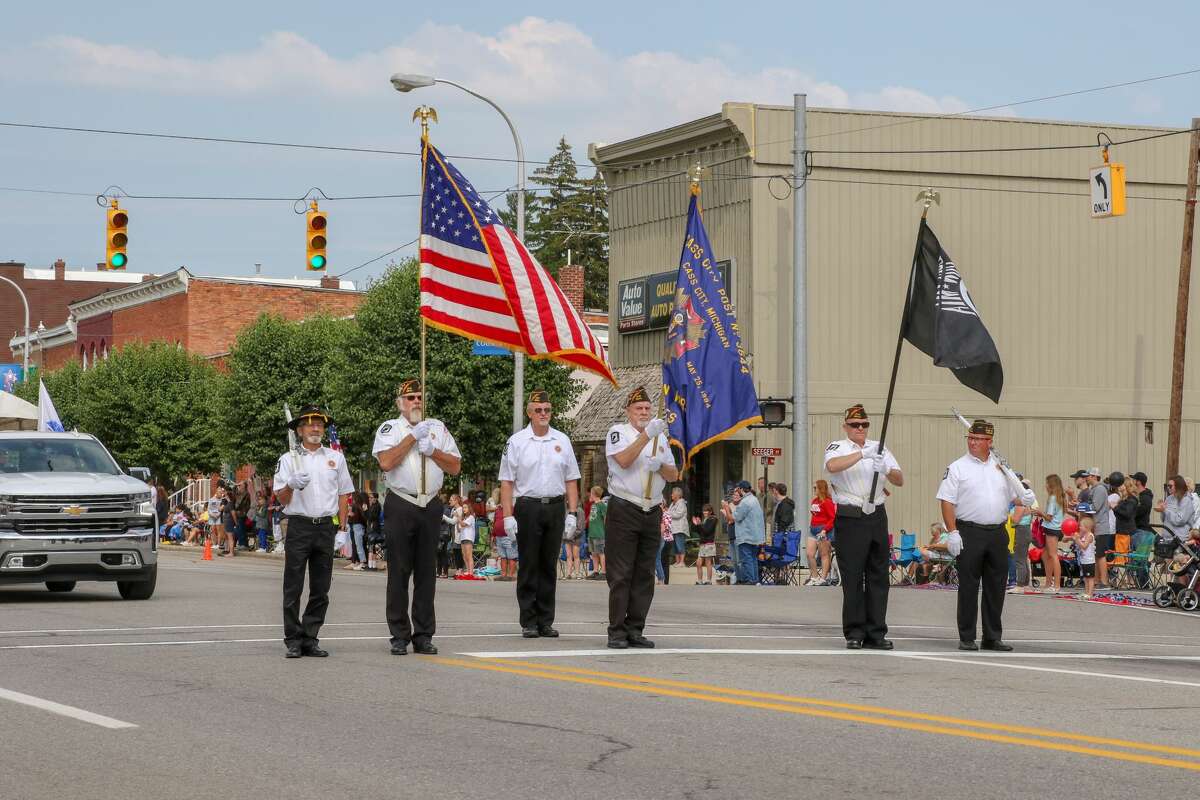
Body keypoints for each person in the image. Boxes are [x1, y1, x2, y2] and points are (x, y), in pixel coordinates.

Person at [372, 379, 462, 657]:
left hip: (431, 502)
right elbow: (386, 462)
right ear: (400, 403)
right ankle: (399, 634)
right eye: (410, 397)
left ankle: (423, 634)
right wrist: (412, 438)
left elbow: (456, 466)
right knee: (399, 571)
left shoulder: (437, 428)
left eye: (420, 397)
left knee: (426, 573)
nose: (416, 402)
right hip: (402, 501)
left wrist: (432, 450)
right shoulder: (390, 428)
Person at [937, 419, 1036, 652]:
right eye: (970, 438)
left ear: (989, 442)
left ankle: (992, 636)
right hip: (969, 530)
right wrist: (952, 532)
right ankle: (967, 635)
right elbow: (947, 501)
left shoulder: (1001, 467)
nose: (972, 443)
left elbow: (1014, 497)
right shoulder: (958, 467)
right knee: (969, 585)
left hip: (997, 532)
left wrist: (1026, 498)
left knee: (996, 585)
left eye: (978, 439)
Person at [272, 405, 354, 659]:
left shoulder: (335, 458)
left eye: (320, 424)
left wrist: (342, 528)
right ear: (299, 430)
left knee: (321, 588)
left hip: (325, 528)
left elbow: (344, 493)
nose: (316, 428)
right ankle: (293, 639)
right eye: (310, 424)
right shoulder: (288, 460)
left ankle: (310, 636)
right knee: (293, 586)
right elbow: (282, 498)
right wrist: (291, 484)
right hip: (299, 526)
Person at [498, 390, 581, 638]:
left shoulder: (562, 440)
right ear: (529, 412)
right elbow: (506, 481)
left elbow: (571, 480)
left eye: (547, 409)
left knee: (548, 564)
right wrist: (508, 515)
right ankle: (529, 620)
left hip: (555, 506)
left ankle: (546, 620)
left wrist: (572, 513)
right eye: (538, 410)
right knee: (529, 564)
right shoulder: (517, 441)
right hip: (527, 506)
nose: (543, 414)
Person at [603, 386, 679, 649]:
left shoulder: (661, 438)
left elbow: (673, 475)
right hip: (624, 507)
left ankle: (636, 628)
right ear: (628, 412)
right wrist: (647, 435)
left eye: (647, 408)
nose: (644, 412)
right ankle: (616, 630)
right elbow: (623, 460)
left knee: (644, 574)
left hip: (651, 509)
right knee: (621, 573)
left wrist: (662, 465)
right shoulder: (618, 432)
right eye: (639, 409)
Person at [823, 404, 903, 649]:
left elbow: (899, 479)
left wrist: (887, 469)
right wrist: (862, 455)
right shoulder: (837, 446)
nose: (860, 429)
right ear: (845, 426)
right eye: (855, 425)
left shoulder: (879, 447)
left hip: (876, 513)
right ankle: (855, 632)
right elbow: (832, 467)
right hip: (850, 515)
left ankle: (876, 632)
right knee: (853, 576)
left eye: (864, 425)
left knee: (879, 575)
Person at [1033, 475, 1067, 592]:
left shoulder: (1053, 498)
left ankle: (1056, 585)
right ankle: (1048, 583)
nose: (1045, 485)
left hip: (1052, 529)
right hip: (1054, 528)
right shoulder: (1060, 497)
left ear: (1051, 485)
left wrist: (1039, 512)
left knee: (1053, 555)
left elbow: (1049, 517)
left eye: (1047, 483)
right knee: (1045, 555)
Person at [806, 480, 836, 586]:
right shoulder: (814, 501)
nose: (814, 490)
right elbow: (814, 515)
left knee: (824, 554)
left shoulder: (827, 502)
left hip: (823, 530)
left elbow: (832, 518)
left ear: (821, 489)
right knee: (809, 554)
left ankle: (823, 578)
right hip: (813, 529)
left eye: (815, 488)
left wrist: (824, 530)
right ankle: (814, 576)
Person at [1155, 475, 1196, 543]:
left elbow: (1179, 520)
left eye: (1170, 486)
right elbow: (1163, 519)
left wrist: (1165, 510)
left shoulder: (1186, 500)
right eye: (1168, 486)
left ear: (1178, 486)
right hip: (1166, 538)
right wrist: (1162, 510)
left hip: (1179, 540)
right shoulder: (1168, 499)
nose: (1168, 488)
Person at [692, 504, 717, 585]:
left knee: (708, 562)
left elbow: (707, 531)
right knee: (698, 563)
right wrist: (696, 524)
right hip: (703, 544)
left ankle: (709, 580)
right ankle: (700, 580)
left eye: (706, 511)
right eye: (704, 511)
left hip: (709, 544)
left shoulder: (713, 519)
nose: (704, 512)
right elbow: (700, 532)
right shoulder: (705, 520)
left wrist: (700, 524)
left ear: (710, 511)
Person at [586, 486, 607, 580]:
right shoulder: (593, 505)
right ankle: (595, 571)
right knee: (594, 553)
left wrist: (606, 530)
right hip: (592, 533)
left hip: (599, 533)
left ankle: (603, 572)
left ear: (594, 494)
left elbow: (606, 518)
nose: (590, 494)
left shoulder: (602, 505)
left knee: (601, 552)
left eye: (591, 492)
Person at [1075, 515, 1097, 599]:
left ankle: (1090, 593)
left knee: (1090, 578)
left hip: (1089, 561)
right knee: (1085, 578)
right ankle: (1086, 592)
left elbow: (1084, 546)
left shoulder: (1090, 536)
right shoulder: (1084, 535)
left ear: (1087, 527)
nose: (1079, 527)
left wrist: (1077, 540)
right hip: (1084, 560)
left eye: (1081, 526)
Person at [668, 487, 688, 568]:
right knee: (675, 546)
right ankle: (677, 561)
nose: (671, 495)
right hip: (673, 528)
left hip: (679, 528)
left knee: (680, 545)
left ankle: (682, 562)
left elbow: (678, 514)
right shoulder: (672, 503)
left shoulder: (681, 503)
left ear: (677, 495)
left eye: (672, 493)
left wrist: (668, 513)